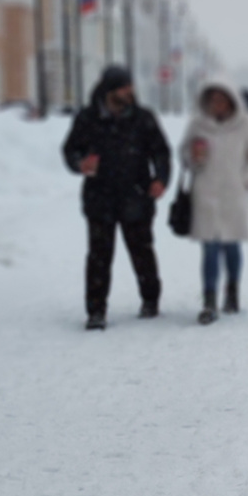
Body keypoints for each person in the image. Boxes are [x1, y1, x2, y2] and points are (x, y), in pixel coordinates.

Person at [62, 65, 170, 331]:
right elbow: (70, 149)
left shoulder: (143, 118)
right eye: (124, 87)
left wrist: (161, 179)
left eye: (130, 86)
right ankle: (96, 311)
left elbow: (161, 152)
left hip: (136, 194)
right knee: (99, 255)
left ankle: (150, 300)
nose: (129, 91)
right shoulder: (88, 118)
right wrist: (80, 163)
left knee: (142, 250)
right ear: (110, 90)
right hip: (100, 197)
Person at [179, 76, 248, 324]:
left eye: (221, 99)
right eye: (212, 100)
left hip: (234, 194)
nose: (216, 104)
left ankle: (232, 290)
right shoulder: (198, 124)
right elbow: (184, 154)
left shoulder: (246, 123)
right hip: (205, 194)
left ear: (231, 101)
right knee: (209, 248)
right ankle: (209, 300)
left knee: (231, 246)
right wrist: (193, 157)